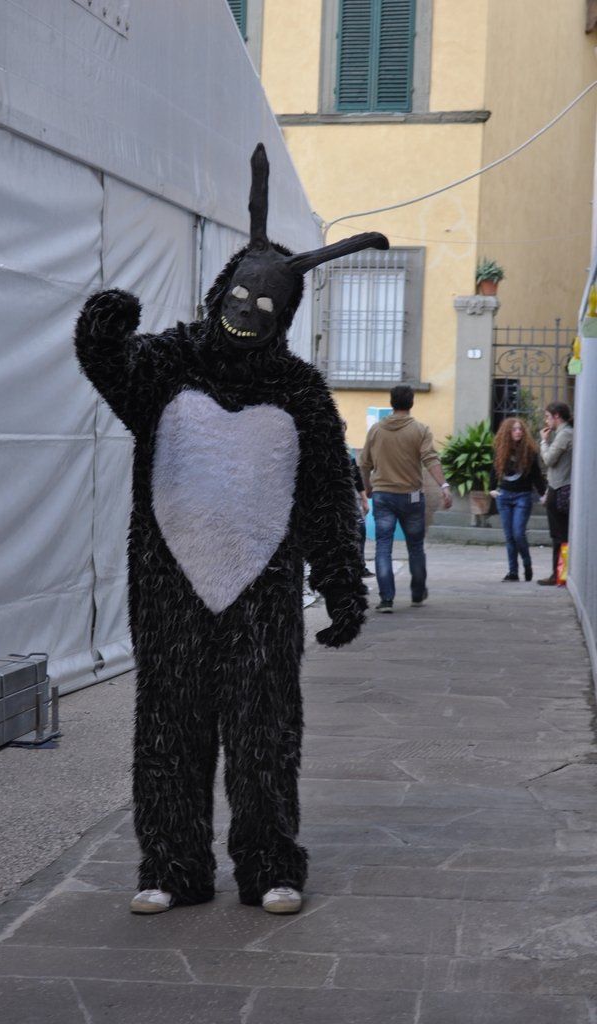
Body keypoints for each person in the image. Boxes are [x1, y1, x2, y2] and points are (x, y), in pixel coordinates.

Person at [75, 144, 387, 917]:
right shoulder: (169, 363)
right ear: (222, 291)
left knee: (263, 734)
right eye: (242, 299)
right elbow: (112, 369)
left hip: (262, 595)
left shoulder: (300, 392)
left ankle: (271, 864)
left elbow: (326, 496)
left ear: (286, 318)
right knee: (168, 731)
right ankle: (171, 866)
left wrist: (342, 585)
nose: (249, 315)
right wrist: (104, 329)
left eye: (267, 309)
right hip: (170, 590)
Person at [359, 385, 452, 613]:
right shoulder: (420, 430)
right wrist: (444, 485)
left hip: (383, 496)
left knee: (383, 547)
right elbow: (430, 459)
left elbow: (364, 463)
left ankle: (386, 599)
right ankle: (417, 593)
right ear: (412, 403)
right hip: (412, 497)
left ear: (391, 402)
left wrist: (367, 488)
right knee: (415, 546)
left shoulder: (376, 430)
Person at [489, 418, 546, 582]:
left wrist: (543, 494)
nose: (518, 432)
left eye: (520, 429)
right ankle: (513, 572)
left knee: (518, 533)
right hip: (504, 497)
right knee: (509, 536)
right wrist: (492, 489)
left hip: (523, 496)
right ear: (507, 432)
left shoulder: (529, 451)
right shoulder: (501, 449)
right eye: (514, 429)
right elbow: (494, 469)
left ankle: (527, 564)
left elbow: (536, 475)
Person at [537, 401, 573, 586]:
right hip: (556, 488)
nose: (546, 421)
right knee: (559, 535)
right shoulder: (563, 433)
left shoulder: (565, 434)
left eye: (548, 417)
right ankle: (560, 574)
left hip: (560, 490)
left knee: (560, 536)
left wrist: (543, 441)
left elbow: (549, 459)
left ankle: (560, 574)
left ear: (557, 416)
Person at [342, 420, 373, 577]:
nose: (342, 433)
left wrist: (364, 499)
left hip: (351, 498)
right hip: (335, 500)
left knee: (360, 528)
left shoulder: (347, 451)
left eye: (344, 430)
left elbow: (357, 477)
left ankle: (359, 566)